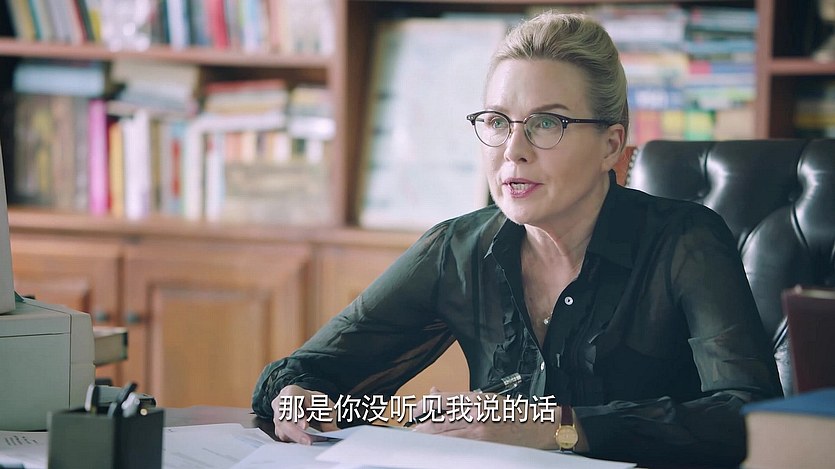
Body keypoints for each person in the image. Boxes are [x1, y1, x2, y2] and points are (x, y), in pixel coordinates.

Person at [252, 11, 782, 467]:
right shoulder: (456, 249)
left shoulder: (686, 242)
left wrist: (558, 427)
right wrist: (295, 397)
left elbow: (748, 416)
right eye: (497, 121)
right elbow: (303, 373)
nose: (513, 150)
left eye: (546, 123)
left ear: (611, 145)